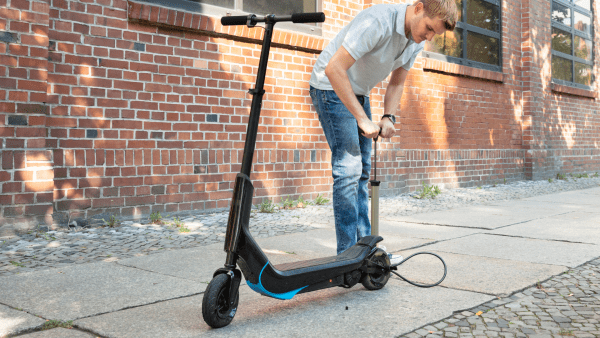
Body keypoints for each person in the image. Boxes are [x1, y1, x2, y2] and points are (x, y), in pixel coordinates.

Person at [309, 0, 458, 259]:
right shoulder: (377, 21)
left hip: (358, 91)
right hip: (329, 86)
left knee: (363, 171)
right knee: (349, 169)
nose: (429, 37)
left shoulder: (415, 41)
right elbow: (334, 69)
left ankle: (364, 250)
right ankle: (346, 256)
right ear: (419, 7)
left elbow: (397, 83)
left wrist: (389, 116)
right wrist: (362, 118)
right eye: (429, 28)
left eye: (435, 34)